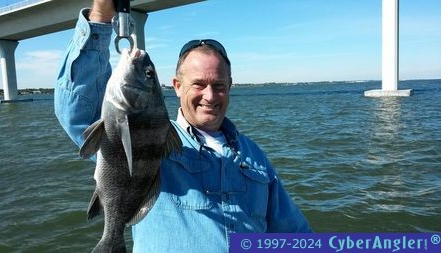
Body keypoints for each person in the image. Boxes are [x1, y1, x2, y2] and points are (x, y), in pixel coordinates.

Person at [54, 0, 312, 252]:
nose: (210, 96)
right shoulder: (154, 141)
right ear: (177, 86)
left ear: (230, 87)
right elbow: (76, 112)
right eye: (198, 84)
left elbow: (293, 235)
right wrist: (100, 17)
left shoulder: (254, 156)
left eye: (219, 86)